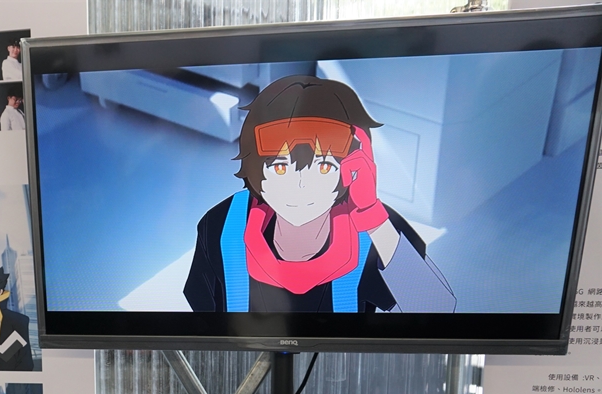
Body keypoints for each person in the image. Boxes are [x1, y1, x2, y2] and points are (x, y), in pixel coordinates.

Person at [183, 75, 456, 314]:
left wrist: (373, 218)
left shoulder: (375, 228)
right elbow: (203, 320)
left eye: (324, 166)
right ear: (256, 167)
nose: (300, 185)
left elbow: (437, 310)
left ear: (353, 165)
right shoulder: (222, 226)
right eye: (280, 167)